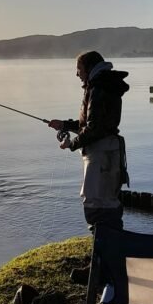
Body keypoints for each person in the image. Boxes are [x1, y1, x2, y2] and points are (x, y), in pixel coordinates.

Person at [48, 51, 130, 238]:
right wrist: (64, 124)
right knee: (106, 203)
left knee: (97, 206)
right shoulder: (102, 83)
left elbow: (94, 129)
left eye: (79, 69)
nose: (77, 74)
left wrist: (71, 144)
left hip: (102, 154)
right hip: (108, 151)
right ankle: (103, 258)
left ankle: (105, 261)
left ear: (89, 68)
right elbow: (93, 124)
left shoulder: (98, 87)